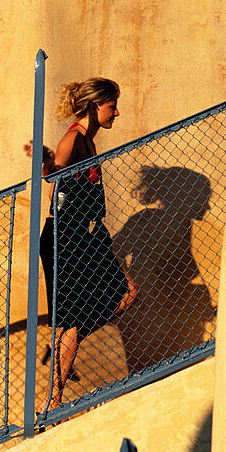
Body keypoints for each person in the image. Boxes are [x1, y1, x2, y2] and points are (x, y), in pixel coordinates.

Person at [24, 77, 138, 414]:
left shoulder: (88, 141)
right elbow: (53, 184)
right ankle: (52, 403)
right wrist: (47, 163)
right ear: (94, 106)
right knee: (72, 321)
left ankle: (61, 346)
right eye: (111, 105)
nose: (116, 112)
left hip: (87, 235)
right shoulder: (73, 139)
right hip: (65, 236)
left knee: (126, 293)